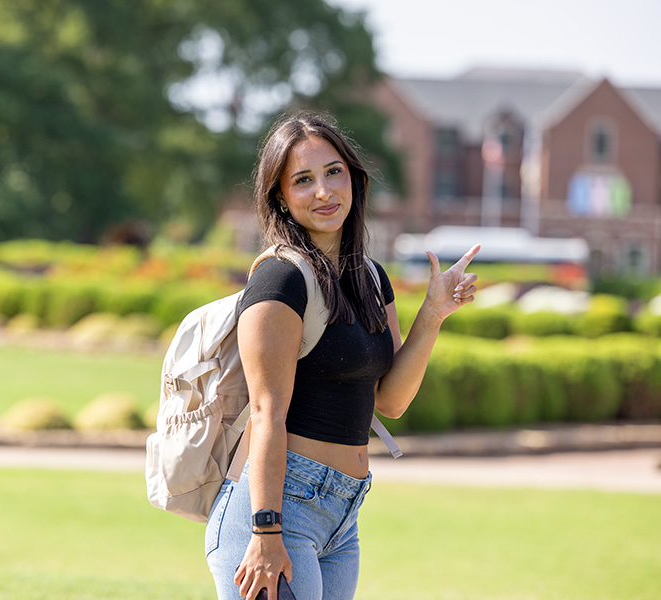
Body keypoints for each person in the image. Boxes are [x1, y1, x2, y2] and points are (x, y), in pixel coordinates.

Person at [205, 112, 480, 600]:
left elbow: (390, 401)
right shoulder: (280, 281)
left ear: (354, 177)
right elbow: (268, 412)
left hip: (342, 516)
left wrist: (434, 313)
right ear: (282, 199)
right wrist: (265, 531)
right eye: (303, 180)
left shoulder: (371, 278)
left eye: (334, 172)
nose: (324, 191)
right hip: (277, 510)